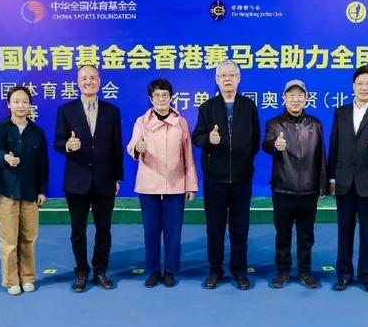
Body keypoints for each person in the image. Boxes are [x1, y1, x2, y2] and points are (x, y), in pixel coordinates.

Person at [54, 64, 124, 292]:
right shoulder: (66, 110)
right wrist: (68, 145)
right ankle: (81, 272)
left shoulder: (111, 111)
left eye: (92, 77)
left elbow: (116, 146)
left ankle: (100, 270)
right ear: (78, 82)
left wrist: (117, 177)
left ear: (99, 81)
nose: (88, 82)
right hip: (77, 181)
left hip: (105, 180)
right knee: (78, 231)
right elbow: (57, 142)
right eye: (84, 78)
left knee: (104, 230)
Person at [192, 59, 260, 290]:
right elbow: (196, 138)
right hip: (215, 179)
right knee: (215, 227)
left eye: (232, 75)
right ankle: (215, 271)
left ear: (238, 78)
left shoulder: (248, 106)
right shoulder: (207, 108)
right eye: (223, 75)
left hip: (241, 178)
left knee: (240, 228)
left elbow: (255, 140)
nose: (227, 79)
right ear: (217, 79)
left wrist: (243, 161)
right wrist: (208, 140)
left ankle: (239, 271)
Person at [327, 65, 368, 293]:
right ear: (353, 86)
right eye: (360, 83)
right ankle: (343, 275)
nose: (364, 87)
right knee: (344, 232)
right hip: (344, 182)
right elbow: (334, 145)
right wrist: (332, 178)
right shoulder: (341, 112)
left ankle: (367, 276)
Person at [126, 78, 198, 287]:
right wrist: (137, 148)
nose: (161, 99)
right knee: (151, 230)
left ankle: (170, 271)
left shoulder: (181, 122)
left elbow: (188, 156)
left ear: (171, 97)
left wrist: (190, 185)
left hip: (175, 184)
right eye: (156, 96)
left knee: (173, 231)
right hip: (148, 185)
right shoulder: (142, 122)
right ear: (151, 99)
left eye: (164, 95)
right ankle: (153, 270)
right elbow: (131, 145)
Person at [262, 79, 327, 289]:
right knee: (283, 235)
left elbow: (321, 156)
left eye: (300, 95)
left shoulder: (315, 124)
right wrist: (275, 144)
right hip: (283, 189)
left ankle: (305, 272)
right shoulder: (274, 124)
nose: (296, 99)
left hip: (309, 190)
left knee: (306, 236)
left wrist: (323, 185)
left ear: (306, 98)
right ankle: (282, 271)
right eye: (291, 95)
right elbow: (266, 144)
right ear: (284, 98)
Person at [0, 85, 49, 296]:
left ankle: (28, 277)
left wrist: (42, 190)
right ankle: (11, 280)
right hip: (7, 192)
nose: (21, 105)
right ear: (9, 104)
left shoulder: (37, 133)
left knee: (29, 238)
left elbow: (43, 165)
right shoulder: (0, 128)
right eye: (16, 101)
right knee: (8, 241)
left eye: (25, 101)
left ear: (30, 105)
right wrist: (5, 157)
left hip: (31, 193)